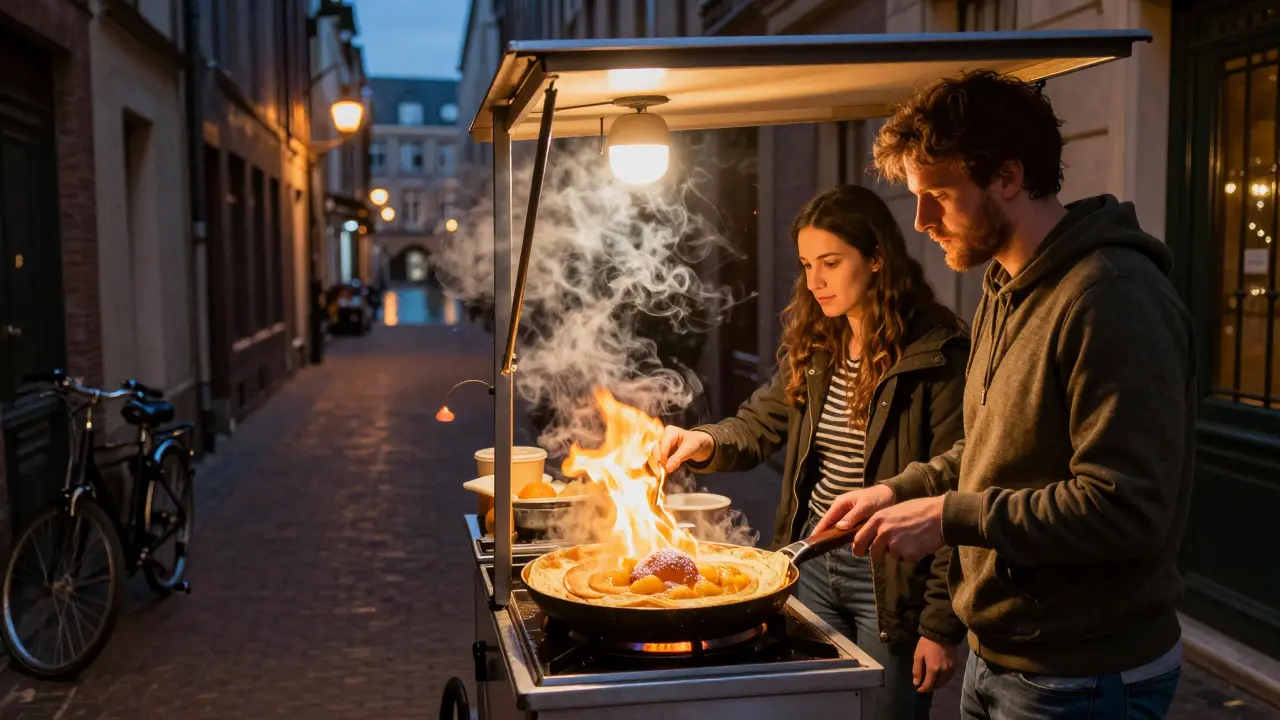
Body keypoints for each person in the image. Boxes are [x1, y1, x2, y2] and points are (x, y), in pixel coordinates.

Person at [815, 70, 1196, 719]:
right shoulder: (1003, 285)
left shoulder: (1112, 298)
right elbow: (995, 452)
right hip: (1001, 654)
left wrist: (946, 517)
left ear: (1009, 178)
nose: (921, 221)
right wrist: (899, 491)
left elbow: (1125, 508)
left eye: (938, 194)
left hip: (1084, 676)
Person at [656, 184, 970, 719]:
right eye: (806, 264)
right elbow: (761, 422)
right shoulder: (819, 343)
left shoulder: (937, 353)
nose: (815, 280)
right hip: (811, 562)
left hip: (889, 583)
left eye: (831, 262)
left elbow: (955, 487)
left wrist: (941, 626)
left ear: (876, 259)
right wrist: (704, 441)